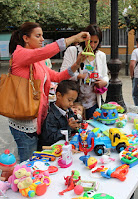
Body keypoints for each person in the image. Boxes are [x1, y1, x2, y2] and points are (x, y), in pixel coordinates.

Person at [8, 22, 90, 162]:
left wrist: (77, 63)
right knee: (28, 164)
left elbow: (58, 76)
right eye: (38, 36)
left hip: (36, 119)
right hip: (25, 122)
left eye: (42, 36)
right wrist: (74, 38)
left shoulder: (38, 62)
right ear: (26, 38)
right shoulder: (20, 54)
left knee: (36, 160)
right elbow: (46, 51)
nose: (42, 39)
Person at [60, 24, 109, 119]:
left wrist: (104, 82)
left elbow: (104, 75)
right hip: (74, 102)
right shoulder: (73, 51)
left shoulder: (101, 55)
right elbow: (63, 73)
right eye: (90, 41)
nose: (92, 45)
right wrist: (80, 76)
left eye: (96, 42)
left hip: (92, 101)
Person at [38, 80, 80, 150]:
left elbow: (74, 124)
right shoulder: (50, 116)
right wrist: (68, 128)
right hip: (52, 150)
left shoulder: (68, 110)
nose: (71, 104)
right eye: (69, 100)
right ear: (58, 95)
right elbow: (49, 139)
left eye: (73, 101)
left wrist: (77, 125)